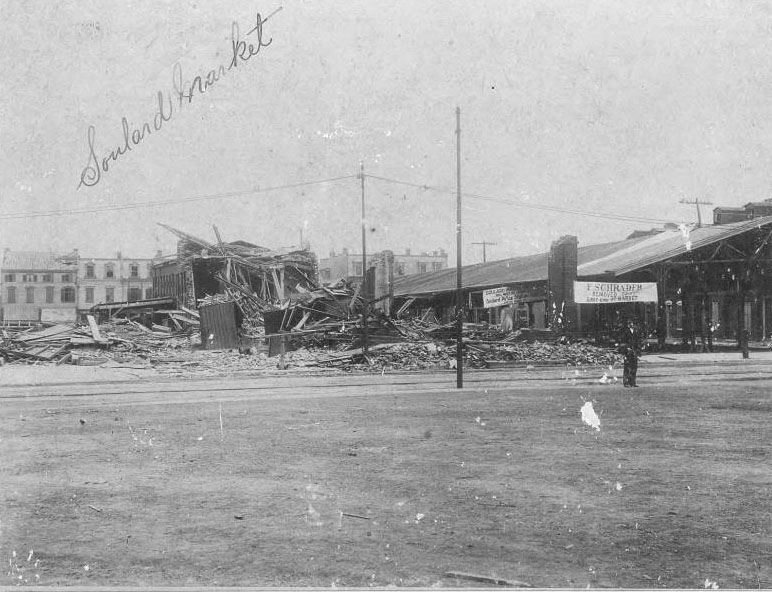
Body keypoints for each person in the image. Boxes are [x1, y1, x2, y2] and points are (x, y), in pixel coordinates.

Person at [620, 320, 642, 387]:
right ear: (628, 325)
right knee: (627, 367)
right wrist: (626, 349)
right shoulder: (625, 332)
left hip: (634, 351)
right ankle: (626, 382)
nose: (632, 325)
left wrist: (638, 351)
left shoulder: (636, 331)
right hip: (628, 351)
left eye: (633, 323)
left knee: (634, 367)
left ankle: (633, 382)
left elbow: (638, 341)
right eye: (630, 324)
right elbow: (623, 342)